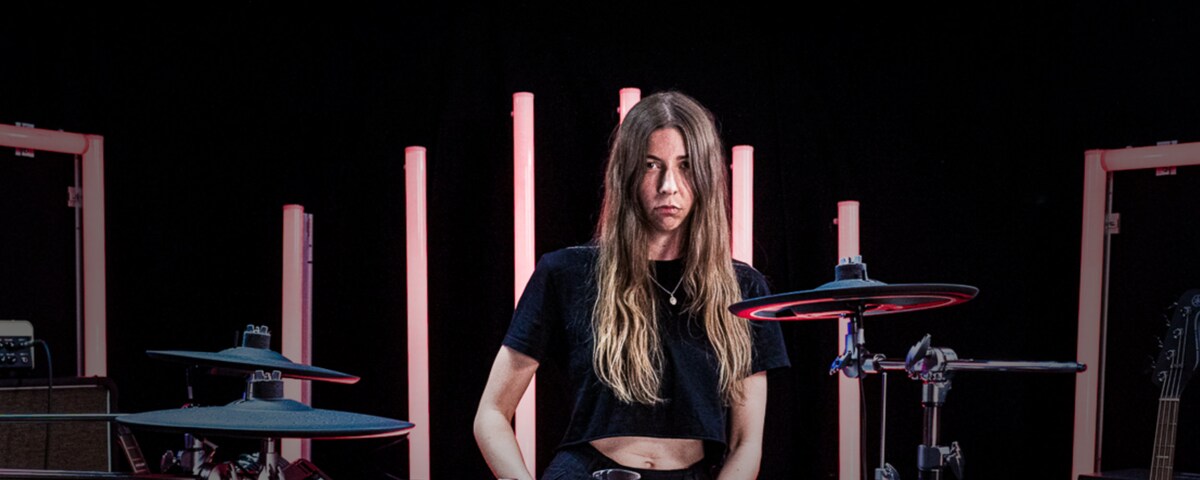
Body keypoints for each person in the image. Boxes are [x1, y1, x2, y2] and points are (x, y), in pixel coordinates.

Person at [474, 91, 789, 480]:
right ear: (627, 174)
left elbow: (746, 443)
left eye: (686, 166)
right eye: (651, 165)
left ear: (707, 174)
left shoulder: (743, 288)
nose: (669, 185)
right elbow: (491, 413)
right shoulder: (567, 272)